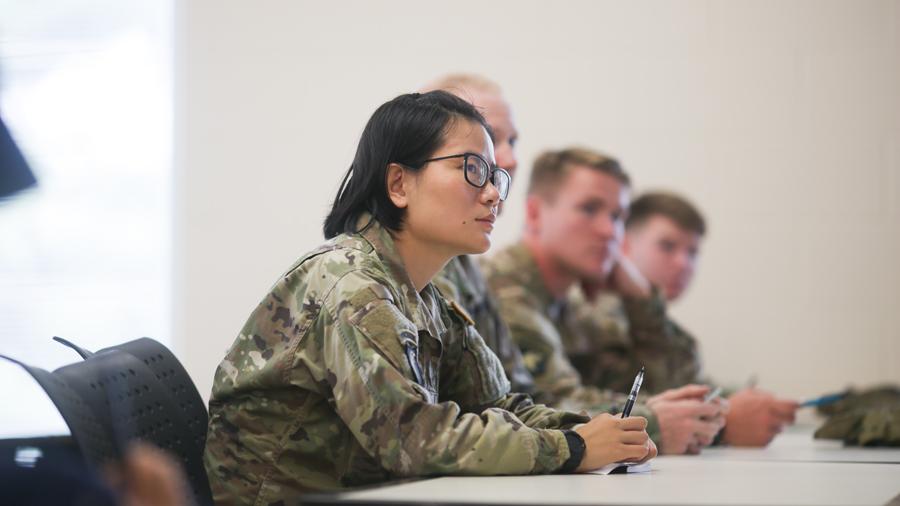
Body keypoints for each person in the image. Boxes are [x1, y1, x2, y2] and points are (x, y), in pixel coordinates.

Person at [203, 91, 656, 504]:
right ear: (399, 184)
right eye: (473, 170)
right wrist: (575, 448)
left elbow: (497, 405)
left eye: (495, 175)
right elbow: (410, 439)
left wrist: (596, 431)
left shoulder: (424, 294)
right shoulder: (352, 283)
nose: (495, 194)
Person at [483, 147, 726, 455]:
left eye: (617, 216)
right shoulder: (505, 289)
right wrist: (654, 423)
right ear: (534, 213)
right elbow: (543, 405)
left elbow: (675, 381)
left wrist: (640, 298)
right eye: (589, 209)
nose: (610, 231)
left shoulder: (568, 305)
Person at [617, 191, 798, 446]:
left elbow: (683, 386)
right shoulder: (594, 317)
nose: (683, 263)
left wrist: (743, 404)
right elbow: (568, 407)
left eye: (692, 252)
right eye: (667, 246)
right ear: (623, 245)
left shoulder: (672, 334)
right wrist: (725, 419)